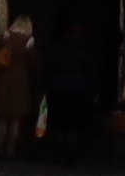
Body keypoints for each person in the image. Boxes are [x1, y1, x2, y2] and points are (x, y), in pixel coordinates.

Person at [44, 18, 111, 156]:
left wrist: (45, 87)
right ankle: (70, 151)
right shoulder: (86, 51)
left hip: (58, 89)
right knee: (74, 124)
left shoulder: (57, 49)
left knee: (58, 122)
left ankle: (58, 150)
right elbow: (91, 73)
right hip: (79, 90)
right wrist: (94, 92)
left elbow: (49, 69)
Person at [0, 19, 37, 159]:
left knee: (1, 117)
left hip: (1, 81)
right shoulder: (29, 41)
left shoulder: (4, 37)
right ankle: (10, 150)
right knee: (15, 119)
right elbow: (33, 65)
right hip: (20, 83)